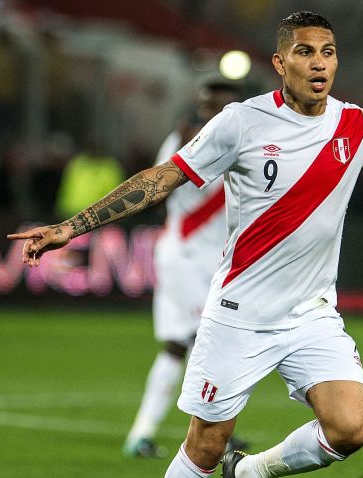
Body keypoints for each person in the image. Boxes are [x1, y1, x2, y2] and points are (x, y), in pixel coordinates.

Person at [9, 11, 363, 478]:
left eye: (328, 52)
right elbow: (163, 179)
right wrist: (70, 228)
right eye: (305, 52)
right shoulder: (240, 123)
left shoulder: (358, 126)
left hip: (310, 315)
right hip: (239, 314)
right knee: (205, 447)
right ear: (280, 63)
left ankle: (252, 473)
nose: (319, 63)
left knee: (350, 429)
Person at [123, 79, 247, 458]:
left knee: (198, 344)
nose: (217, 111)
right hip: (185, 256)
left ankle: (208, 429)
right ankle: (146, 435)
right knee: (196, 342)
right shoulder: (182, 141)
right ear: (202, 105)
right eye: (211, 104)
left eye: (225, 104)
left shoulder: (242, 140)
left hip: (214, 259)